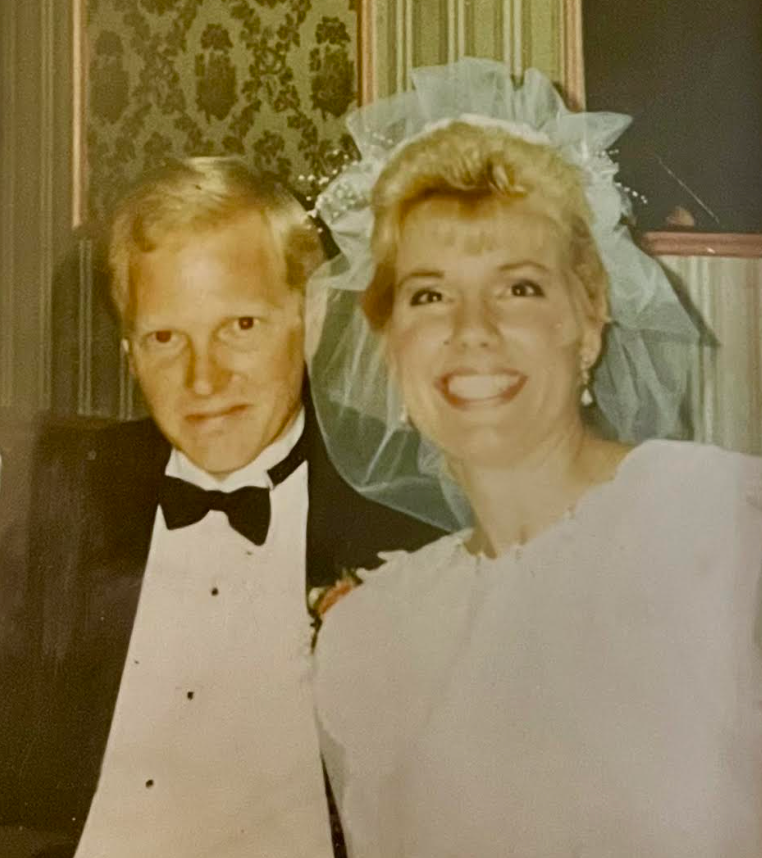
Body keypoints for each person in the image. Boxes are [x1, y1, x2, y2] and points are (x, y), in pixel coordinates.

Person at [308, 60, 762, 857]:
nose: (472, 330)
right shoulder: (370, 639)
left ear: (589, 319)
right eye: (428, 294)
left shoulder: (722, 527)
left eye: (518, 288)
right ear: (389, 343)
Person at [0, 158, 442, 858]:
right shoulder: (54, 502)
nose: (203, 379)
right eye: (164, 338)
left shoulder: (408, 523)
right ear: (128, 351)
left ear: (312, 319)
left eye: (241, 324)